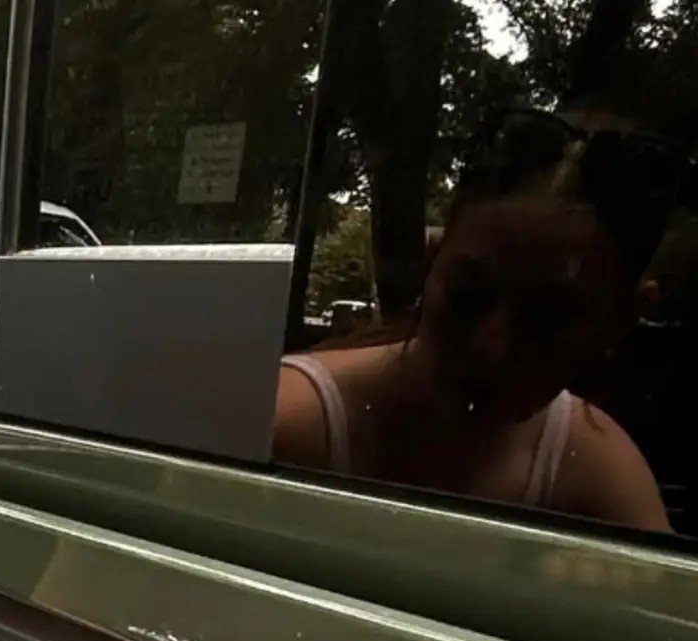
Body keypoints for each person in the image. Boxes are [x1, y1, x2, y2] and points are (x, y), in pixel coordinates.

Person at [276, 108, 679, 533]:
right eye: (469, 294)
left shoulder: (598, 476)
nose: (492, 347)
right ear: (431, 265)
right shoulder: (290, 427)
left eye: (547, 318)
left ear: (619, 322)